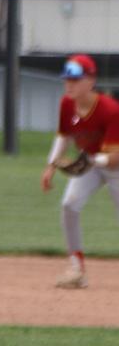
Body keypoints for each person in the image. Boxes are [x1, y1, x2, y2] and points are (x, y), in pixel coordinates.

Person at [41, 54, 119, 289]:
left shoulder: (110, 110)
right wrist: (50, 166)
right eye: (67, 79)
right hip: (91, 163)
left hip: (114, 165)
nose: (69, 84)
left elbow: (115, 159)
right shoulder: (66, 104)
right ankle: (76, 269)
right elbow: (63, 135)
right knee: (69, 205)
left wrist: (93, 160)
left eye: (76, 79)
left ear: (91, 81)